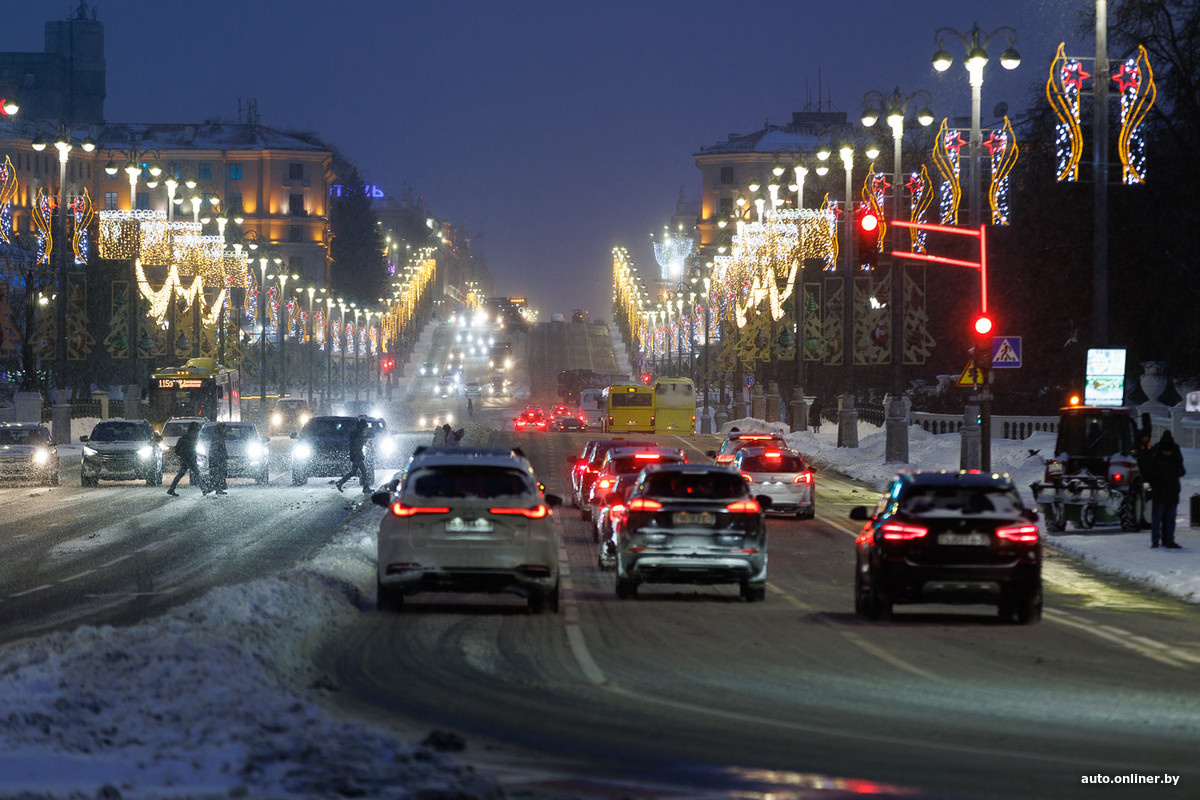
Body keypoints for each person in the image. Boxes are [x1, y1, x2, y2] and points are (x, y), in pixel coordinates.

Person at [1147, 430, 1185, 549]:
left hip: (1161, 491)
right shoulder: (1175, 455)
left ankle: (1156, 541)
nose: (1167, 453)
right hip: (1171, 491)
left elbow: (1150, 473)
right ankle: (1168, 540)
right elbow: (1181, 471)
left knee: (1157, 518)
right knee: (1169, 518)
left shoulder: (1155, 455)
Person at [167, 421, 209, 496]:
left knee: (181, 474)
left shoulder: (186, 436)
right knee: (197, 474)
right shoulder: (192, 437)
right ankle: (204, 489)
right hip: (190, 459)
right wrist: (196, 456)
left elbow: (183, 449)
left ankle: (171, 488)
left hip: (186, 458)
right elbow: (191, 449)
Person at [335, 418, 371, 494]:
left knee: (354, 472)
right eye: (365, 427)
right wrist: (359, 455)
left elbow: (355, 446)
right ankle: (366, 488)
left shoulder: (357, 433)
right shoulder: (357, 434)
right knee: (363, 471)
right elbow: (356, 447)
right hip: (356, 456)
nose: (365, 429)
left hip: (356, 455)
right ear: (362, 427)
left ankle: (340, 482)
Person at [208, 422, 229, 495]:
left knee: (219, 474)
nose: (226, 430)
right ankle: (215, 488)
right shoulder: (218, 437)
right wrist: (217, 457)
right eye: (224, 429)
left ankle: (216, 488)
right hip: (217, 459)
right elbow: (216, 449)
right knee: (218, 474)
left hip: (219, 458)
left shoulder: (219, 437)